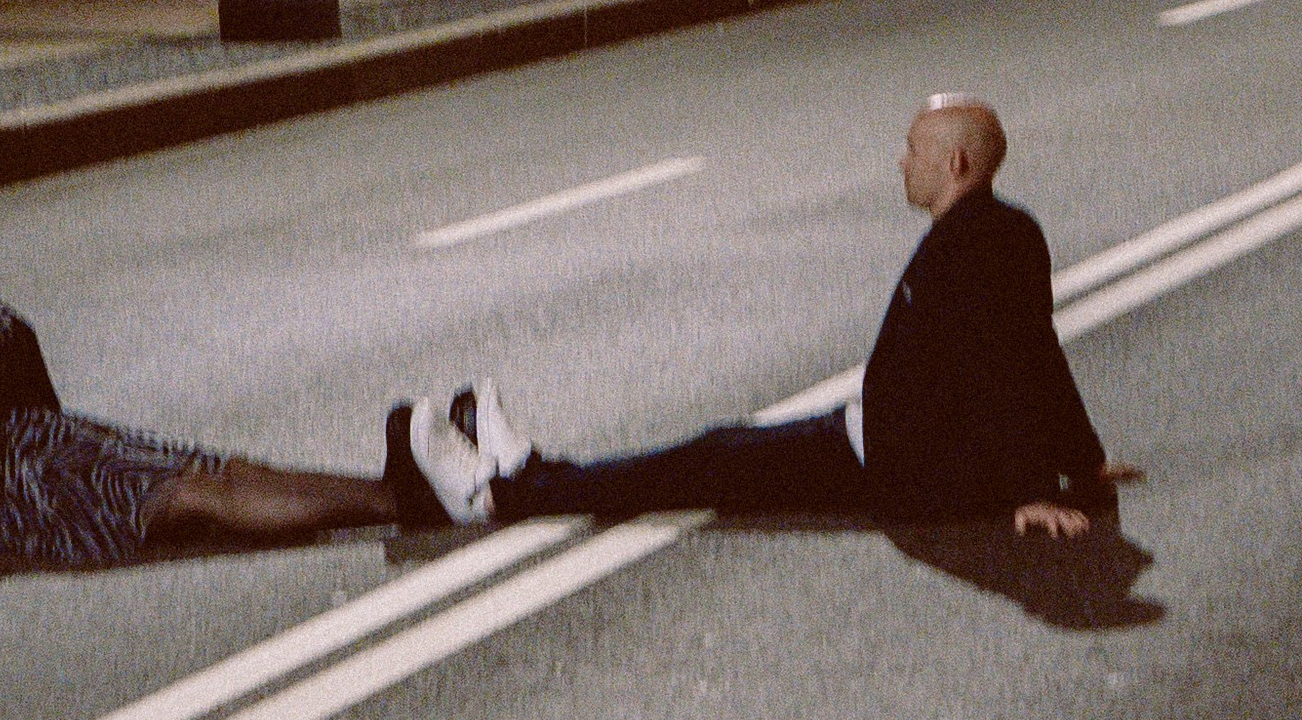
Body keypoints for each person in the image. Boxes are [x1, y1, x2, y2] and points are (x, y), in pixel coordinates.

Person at [455, 95, 1128, 540]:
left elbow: (1006, 363)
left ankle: (505, 495)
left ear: (955, 163)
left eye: (914, 150)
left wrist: (1033, 492)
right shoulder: (1005, 229)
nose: (902, 162)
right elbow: (1039, 350)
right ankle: (530, 472)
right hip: (875, 442)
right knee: (716, 453)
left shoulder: (973, 245)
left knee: (706, 461)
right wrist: (1085, 459)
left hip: (885, 465)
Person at [0, 158, 490, 578]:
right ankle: (408, 500)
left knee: (220, 471)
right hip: (21, 488)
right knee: (192, 495)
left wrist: (68, 439)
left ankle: (401, 487)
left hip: (53, 444)